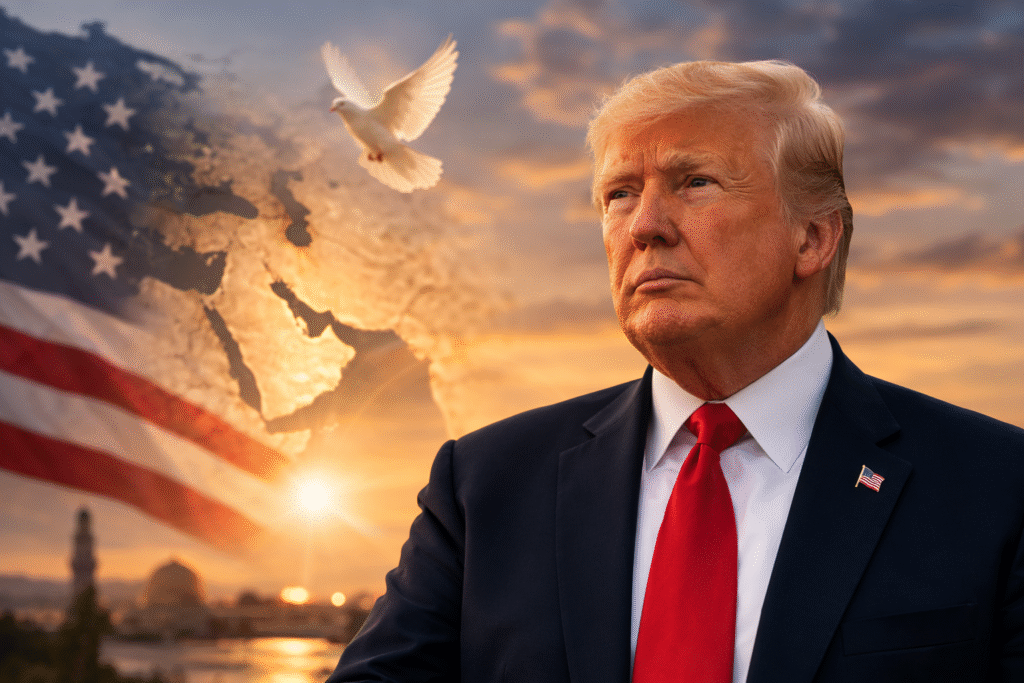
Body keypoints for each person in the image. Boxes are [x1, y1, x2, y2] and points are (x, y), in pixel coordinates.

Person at [326, 60, 1024, 683]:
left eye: (694, 182)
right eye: (619, 194)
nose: (645, 227)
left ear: (812, 237)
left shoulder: (997, 487)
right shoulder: (483, 486)